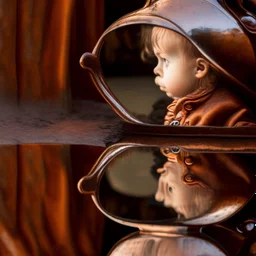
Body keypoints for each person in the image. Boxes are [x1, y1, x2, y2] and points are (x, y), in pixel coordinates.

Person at [145, 26, 256, 126]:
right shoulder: (181, 105)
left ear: (199, 68)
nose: (156, 69)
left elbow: (246, 140)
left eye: (165, 60)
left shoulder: (224, 108)